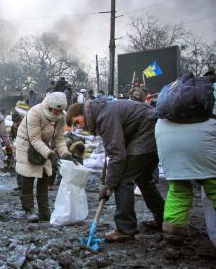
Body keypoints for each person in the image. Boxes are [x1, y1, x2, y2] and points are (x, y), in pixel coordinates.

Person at [66, 98, 165, 241]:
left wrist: (111, 184)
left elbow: (117, 156)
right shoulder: (101, 111)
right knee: (143, 179)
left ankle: (125, 229)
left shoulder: (105, 116)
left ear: (83, 113)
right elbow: (111, 151)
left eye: (77, 122)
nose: (79, 127)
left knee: (123, 179)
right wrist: (105, 181)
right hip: (153, 133)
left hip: (147, 135)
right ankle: (163, 219)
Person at [155, 77, 216, 260]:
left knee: (178, 190)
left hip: (166, 136)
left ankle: (173, 245)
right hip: (203, 137)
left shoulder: (171, 99)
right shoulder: (210, 94)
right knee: (213, 185)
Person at [15, 92, 73, 222]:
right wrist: (50, 154)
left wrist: (65, 154)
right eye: (55, 110)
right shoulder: (35, 113)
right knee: (28, 175)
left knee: (45, 175)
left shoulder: (61, 117)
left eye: (60, 110)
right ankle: (28, 210)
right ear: (49, 106)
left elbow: (59, 139)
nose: (57, 113)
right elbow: (34, 139)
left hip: (43, 145)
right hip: (27, 144)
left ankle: (44, 210)